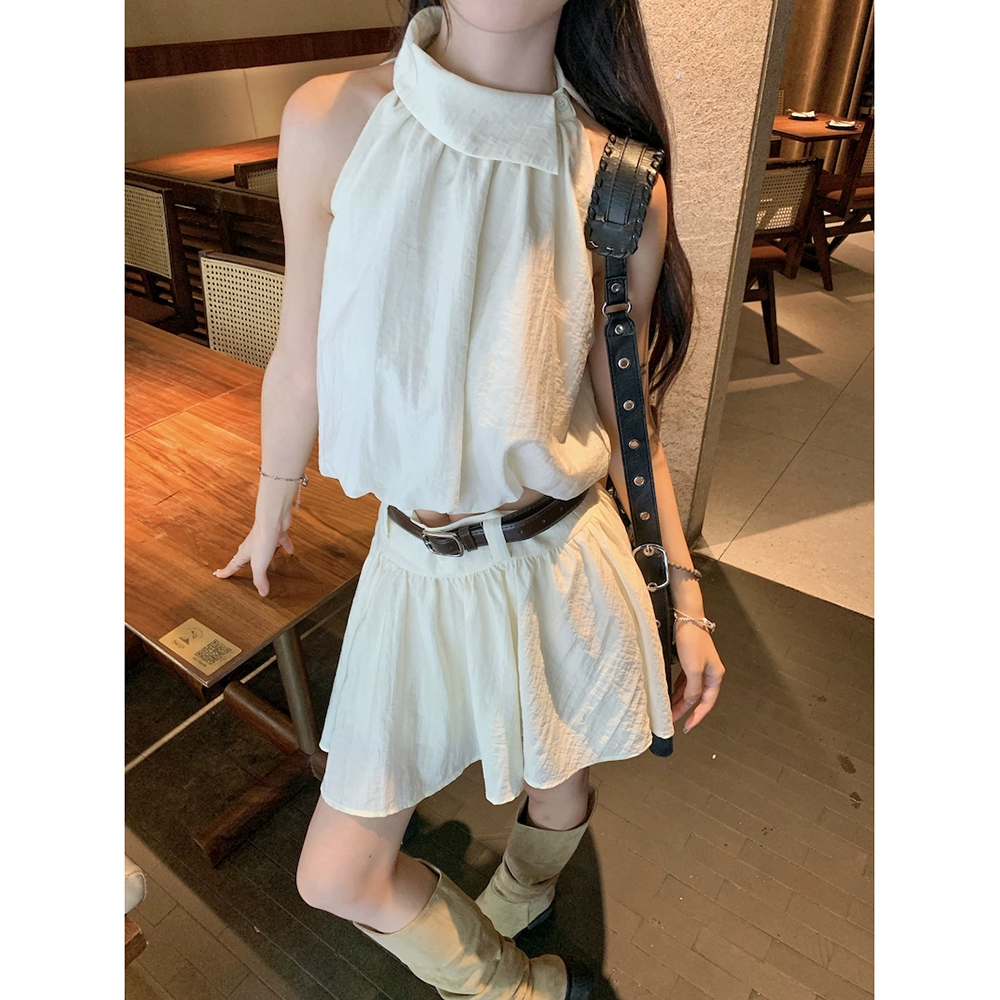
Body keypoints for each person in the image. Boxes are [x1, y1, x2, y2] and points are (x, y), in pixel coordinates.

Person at [213, 2, 725, 997]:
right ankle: (518, 986)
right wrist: (272, 501)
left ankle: (525, 891)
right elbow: (299, 351)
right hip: (414, 565)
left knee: (558, 779)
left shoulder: (618, 181)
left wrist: (689, 601)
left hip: (559, 558)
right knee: (336, 872)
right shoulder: (334, 118)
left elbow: (630, 422)